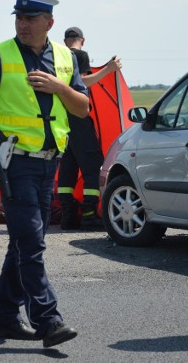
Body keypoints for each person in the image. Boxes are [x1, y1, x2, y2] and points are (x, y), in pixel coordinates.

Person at [0, 0, 89, 348]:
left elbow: (82, 107)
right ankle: (48, 320)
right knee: (31, 241)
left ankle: (5, 318)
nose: (23, 24)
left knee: (23, 242)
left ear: (49, 22)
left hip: (49, 162)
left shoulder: (66, 58)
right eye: (19, 17)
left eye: (31, 18)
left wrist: (58, 87)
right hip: (12, 162)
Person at [57, 27, 122, 229]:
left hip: (62, 121)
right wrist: (108, 70)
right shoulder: (79, 55)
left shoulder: (58, 58)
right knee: (93, 166)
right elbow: (83, 82)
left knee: (68, 167)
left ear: (65, 40)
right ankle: (88, 214)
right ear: (82, 40)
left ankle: (67, 216)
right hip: (79, 117)